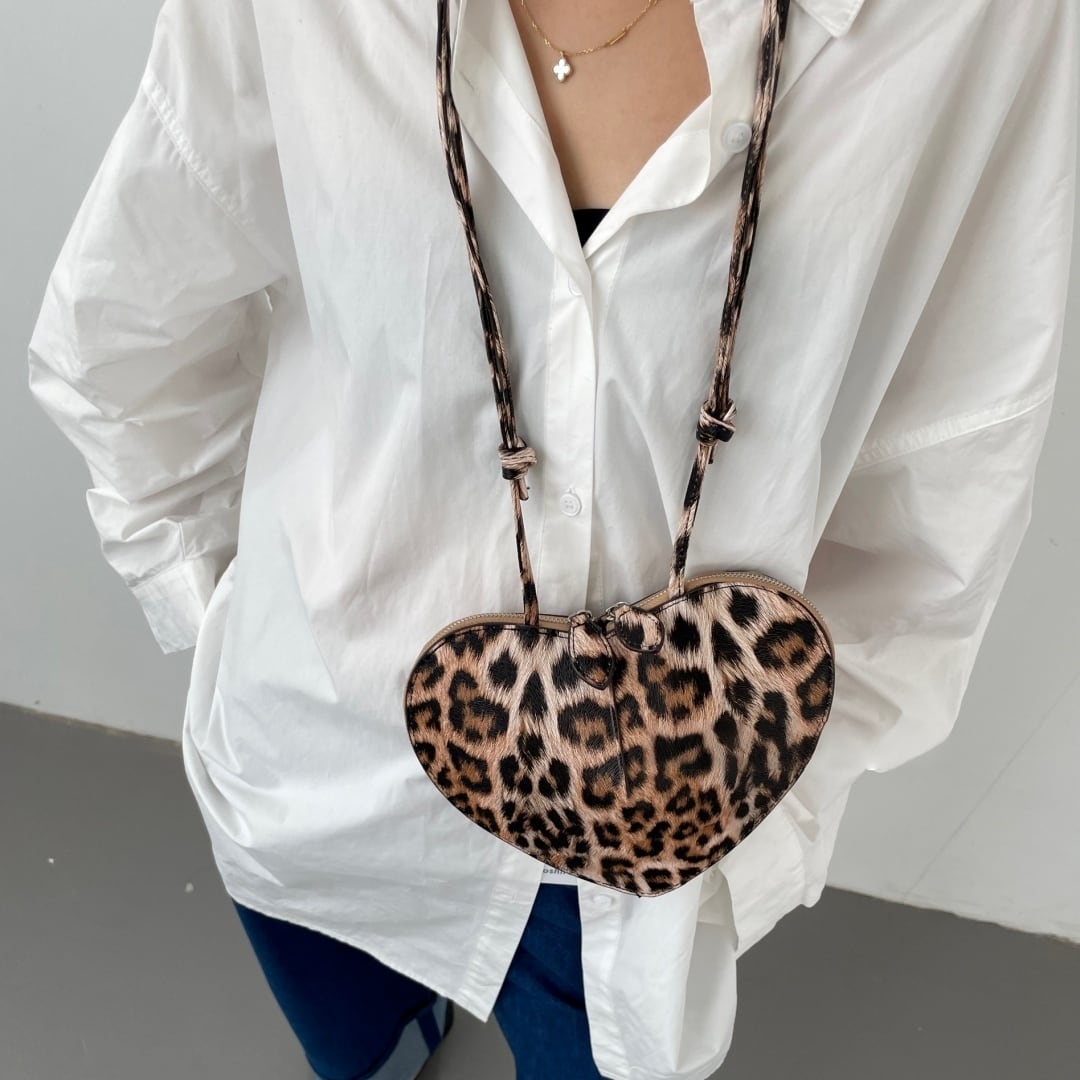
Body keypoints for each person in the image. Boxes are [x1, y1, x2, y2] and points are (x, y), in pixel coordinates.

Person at [25, 1, 1078, 1079]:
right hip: (321, 767)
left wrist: (770, 826)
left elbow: (956, 466)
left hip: (650, 866)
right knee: (356, 1049)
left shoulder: (971, 24)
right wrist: (227, 617)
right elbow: (128, 322)